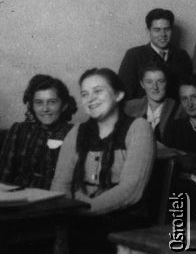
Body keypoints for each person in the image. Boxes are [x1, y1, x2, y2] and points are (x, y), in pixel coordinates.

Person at [51, 68, 155, 216]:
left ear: (118, 95)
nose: (90, 99)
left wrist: (84, 211)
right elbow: (60, 184)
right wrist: (64, 214)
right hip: (74, 218)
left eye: (98, 91)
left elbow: (131, 190)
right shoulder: (77, 131)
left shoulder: (138, 128)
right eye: (84, 94)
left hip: (121, 223)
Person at [0, 74, 77, 190]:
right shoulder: (19, 130)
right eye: (39, 102)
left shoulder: (74, 133)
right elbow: (2, 174)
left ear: (64, 106)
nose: (45, 108)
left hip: (55, 199)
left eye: (52, 102)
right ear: (32, 106)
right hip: (18, 198)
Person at [118, 8, 192, 100]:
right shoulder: (134, 55)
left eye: (167, 29)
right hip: (141, 112)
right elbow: (125, 93)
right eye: (157, 30)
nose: (163, 34)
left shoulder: (182, 55)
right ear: (148, 31)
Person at [124, 62, 180, 143]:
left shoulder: (179, 109)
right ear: (142, 84)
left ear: (167, 83)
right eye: (149, 82)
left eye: (160, 81)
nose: (155, 87)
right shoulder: (129, 107)